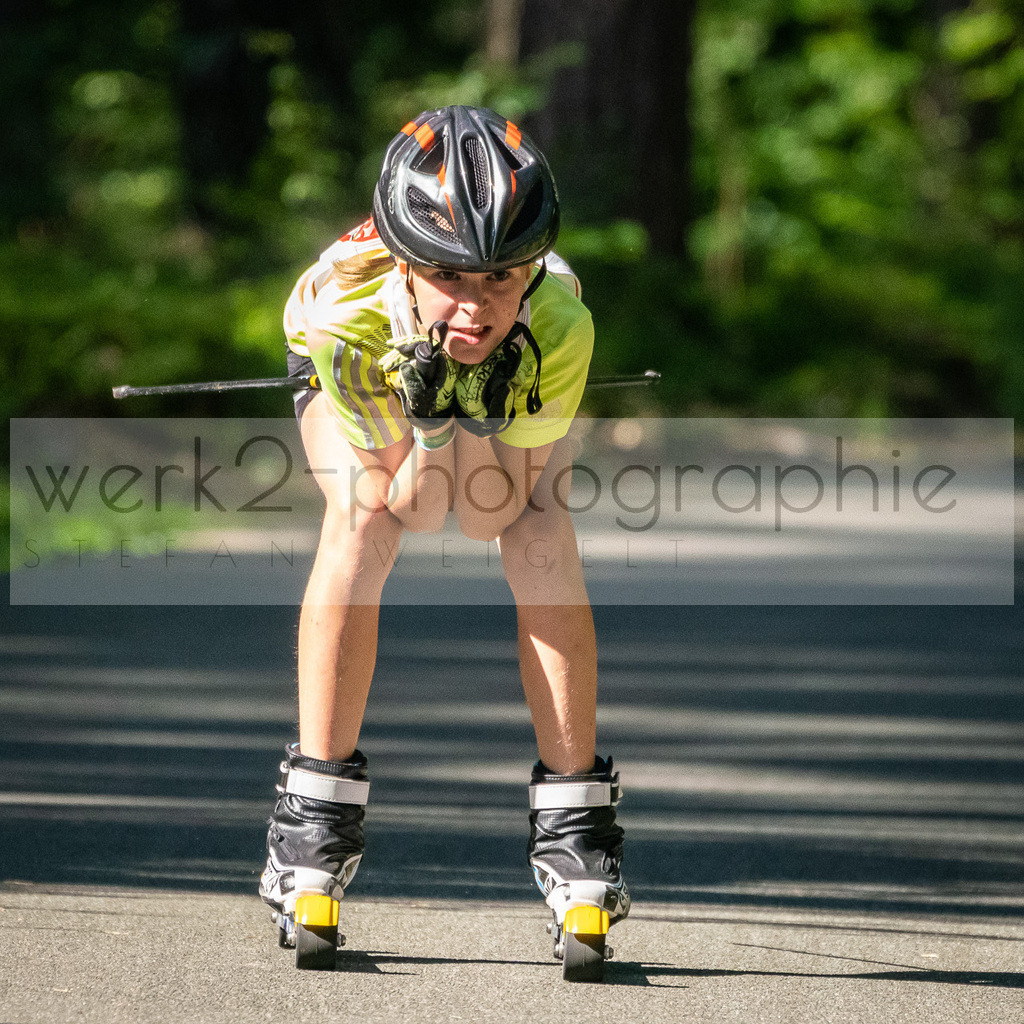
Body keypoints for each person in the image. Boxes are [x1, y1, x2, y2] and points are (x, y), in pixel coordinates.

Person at [259, 105, 629, 974]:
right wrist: (432, 428)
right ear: (406, 264)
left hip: (513, 379)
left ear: (533, 267)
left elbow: (491, 513)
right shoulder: (345, 318)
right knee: (364, 519)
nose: (475, 304)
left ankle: (577, 830)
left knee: (540, 527)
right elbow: (419, 512)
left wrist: (486, 416)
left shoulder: (558, 324)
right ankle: (311, 825)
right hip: (366, 356)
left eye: (502, 277)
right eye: (449, 277)